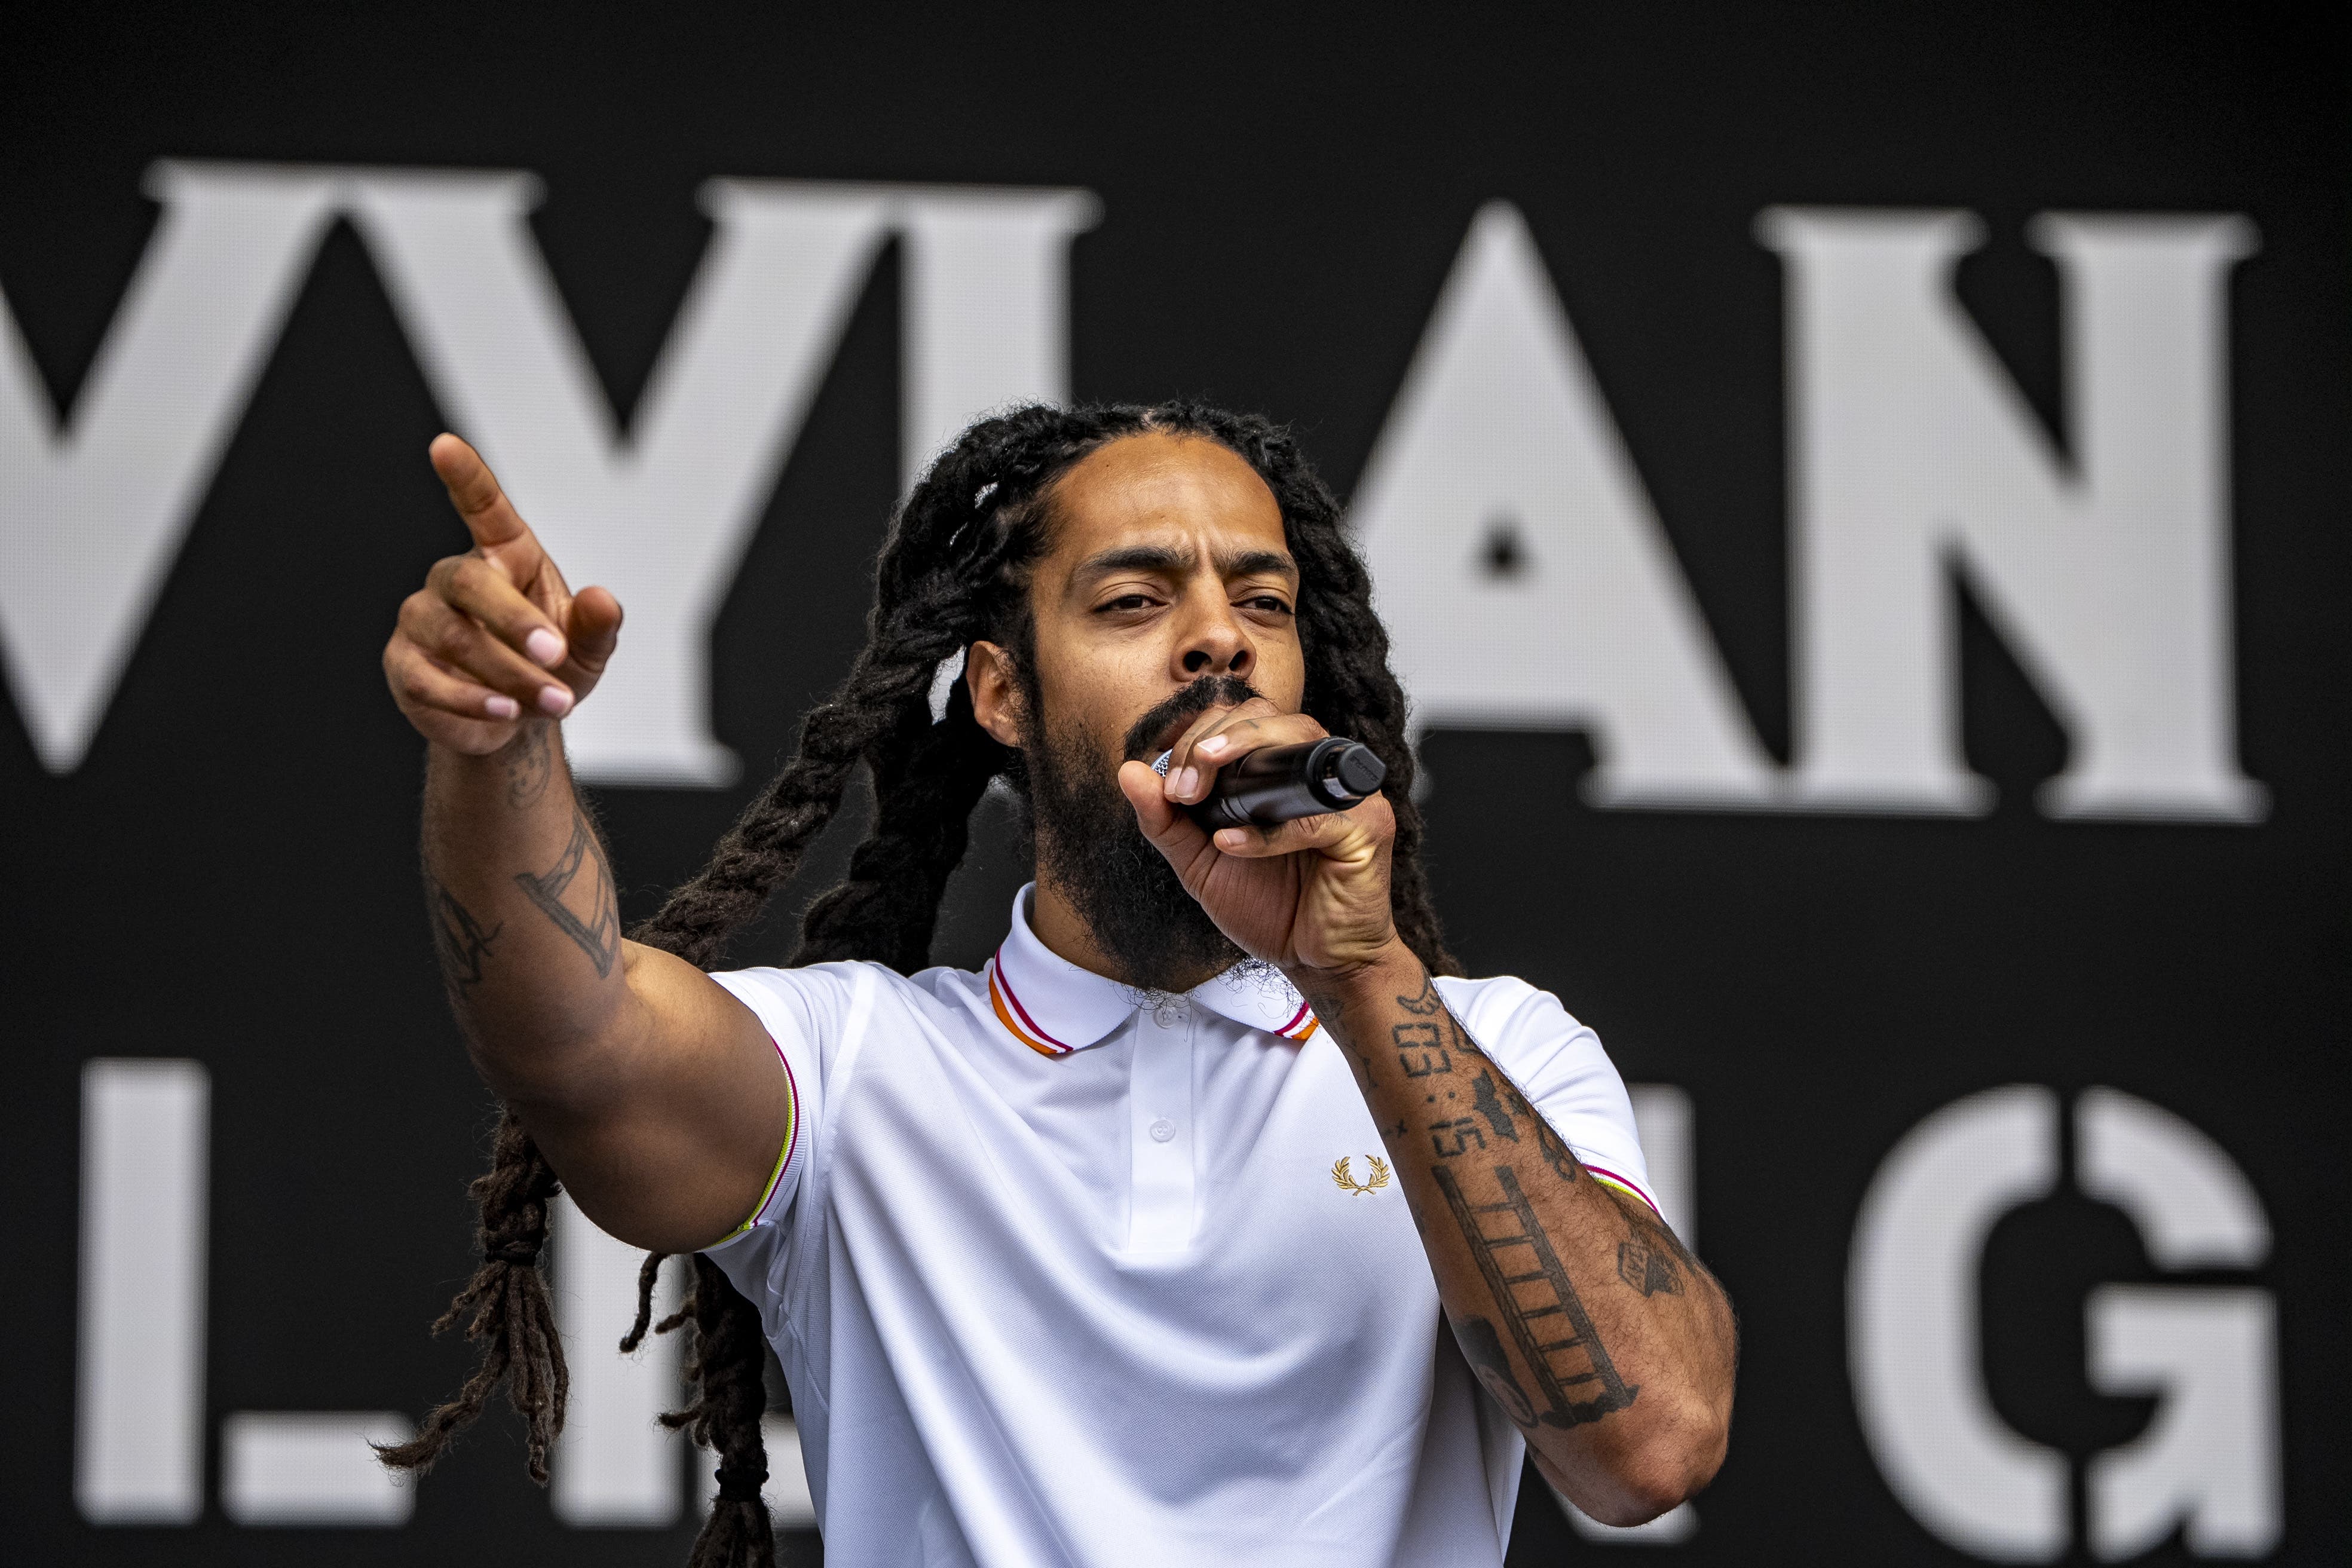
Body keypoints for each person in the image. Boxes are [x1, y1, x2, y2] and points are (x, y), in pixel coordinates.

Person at [376, 402, 1735, 1568]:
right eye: (1137, 601)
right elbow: (577, 1044)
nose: (1219, 640)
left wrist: (1360, 972)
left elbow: (1653, 1447)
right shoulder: (861, 1069)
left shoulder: (1491, 1046)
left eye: (1261, 602)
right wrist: (495, 746)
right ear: (1002, 694)